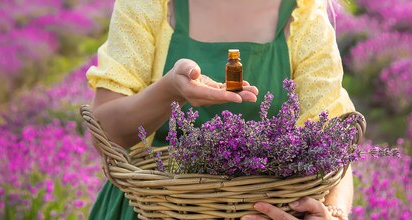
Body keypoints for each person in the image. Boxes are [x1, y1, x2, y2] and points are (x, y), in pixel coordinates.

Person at [86, 0, 355, 219]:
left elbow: (332, 146)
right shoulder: (150, 6)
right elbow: (106, 133)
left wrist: (334, 214)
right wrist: (170, 90)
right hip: (149, 209)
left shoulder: (304, 16)